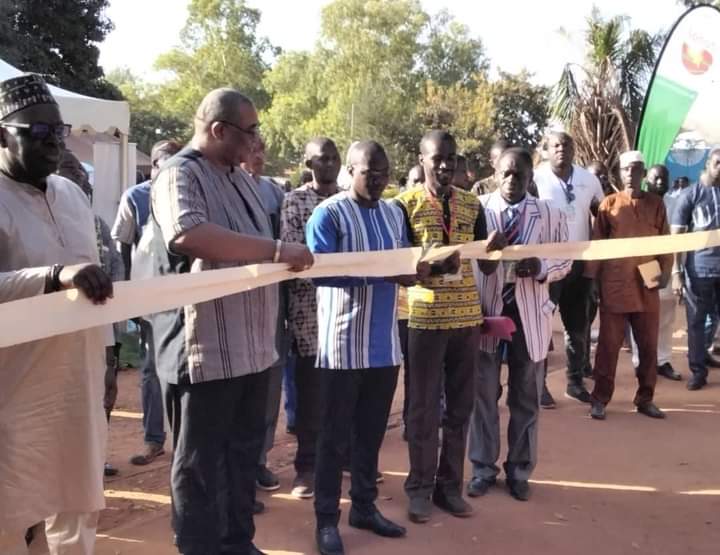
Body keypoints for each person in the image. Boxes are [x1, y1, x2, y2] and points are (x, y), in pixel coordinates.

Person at [150, 88, 313, 555]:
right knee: (199, 465)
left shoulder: (240, 179)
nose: (257, 140)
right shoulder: (179, 173)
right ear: (219, 130)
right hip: (205, 352)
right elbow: (188, 232)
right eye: (251, 130)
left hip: (253, 347)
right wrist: (277, 252)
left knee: (242, 456)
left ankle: (237, 542)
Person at [0, 73, 114, 555]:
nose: (53, 144)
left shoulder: (72, 194)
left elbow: (95, 285)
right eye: (38, 134)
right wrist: (52, 276)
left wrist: (106, 358)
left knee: (77, 500)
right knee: (13, 507)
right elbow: (66, 276)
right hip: (15, 386)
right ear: (3, 134)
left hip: (79, 376)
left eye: (60, 133)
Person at [307, 140, 420, 555]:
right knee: (334, 439)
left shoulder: (394, 212)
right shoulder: (329, 213)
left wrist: (425, 268)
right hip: (341, 347)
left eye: (384, 173)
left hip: (384, 346)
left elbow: (405, 262)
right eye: (369, 171)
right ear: (349, 171)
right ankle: (325, 520)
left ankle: (364, 508)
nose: (377, 179)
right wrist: (387, 277)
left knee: (370, 436)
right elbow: (320, 275)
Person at [394, 130, 504, 524]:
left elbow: (487, 265)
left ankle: (449, 488)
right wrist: (434, 269)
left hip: (466, 322)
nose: (445, 165)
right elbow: (401, 272)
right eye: (438, 158)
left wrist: (494, 249)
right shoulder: (402, 206)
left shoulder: (473, 205)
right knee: (423, 410)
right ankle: (419, 490)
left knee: (460, 409)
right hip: (424, 321)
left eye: (452, 159)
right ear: (422, 159)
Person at [468, 147, 570, 501]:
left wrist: (540, 267)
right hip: (487, 313)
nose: (512, 181)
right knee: (482, 394)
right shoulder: (477, 210)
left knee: (526, 395)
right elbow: (462, 259)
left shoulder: (550, 214)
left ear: (531, 178)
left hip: (530, 315)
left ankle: (520, 469)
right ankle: (482, 468)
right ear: (495, 171)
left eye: (520, 175)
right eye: (506, 173)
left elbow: (566, 260)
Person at [111, 139, 181, 467]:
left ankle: (184, 440)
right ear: (150, 165)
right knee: (151, 370)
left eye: (171, 162)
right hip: (148, 300)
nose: (164, 169)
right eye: (158, 163)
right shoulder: (135, 198)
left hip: (184, 298)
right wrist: (128, 298)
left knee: (184, 370)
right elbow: (122, 246)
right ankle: (154, 439)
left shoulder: (186, 195)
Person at [585, 151, 671, 420]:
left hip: (647, 285)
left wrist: (666, 272)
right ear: (619, 174)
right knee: (608, 347)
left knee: (648, 347)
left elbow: (666, 243)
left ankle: (645, 398)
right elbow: (597, 246)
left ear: (643, 174)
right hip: (615, 285)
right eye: (625, 170)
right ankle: (599, 399)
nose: (631, 175)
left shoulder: (657, 205)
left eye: (636, 170)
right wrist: (592, 281)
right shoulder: (608, 205)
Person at [279, 137, 341, 499]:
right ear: (308, 163)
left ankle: (341, 460)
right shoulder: (295, 201)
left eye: (334, 157)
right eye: (322, 159)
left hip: (347, 309)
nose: (329, 164)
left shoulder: (348, 200)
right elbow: (292, 254)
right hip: (308, 314)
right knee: (311, 395)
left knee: (343, 394)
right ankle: (306, 468)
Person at [58, 149, 125, 477]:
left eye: (83, 180)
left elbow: (115, 266)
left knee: (104, 392)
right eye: (72, 177)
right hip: (58, 338)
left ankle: (96, 457)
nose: (81, 184)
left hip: (103, 328)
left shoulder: (96, 223)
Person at [534, 131, 604, 405]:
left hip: (579, 264)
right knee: (540, 326)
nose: (562, 149)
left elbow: (602, 216)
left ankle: (575, 382)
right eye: (556, 145)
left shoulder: (589, 179)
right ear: (547, 150)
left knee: (578, 326)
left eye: (567, 145)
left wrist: (596, 259)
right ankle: (538, 385)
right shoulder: (536, 178)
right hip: (548, 266)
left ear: (575, 149)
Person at [241, 138, 287, 494]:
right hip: (233, 302)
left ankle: (258, 460)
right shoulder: (218, 189)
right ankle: (236, 467)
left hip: (271, 301)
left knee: (270, 384)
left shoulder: (274, 194)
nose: (257, 157)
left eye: (262, 151)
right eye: (251, 149)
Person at [672, 149, 720, 391]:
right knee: (696, 322)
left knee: (714, 319)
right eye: (717, 163)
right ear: (708, 165)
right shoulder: (690, 195)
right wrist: (676, 273)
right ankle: (698, 371)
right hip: (698, 270)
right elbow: (676, 237)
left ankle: (705, 353)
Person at [630, 164, 681, 381]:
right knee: (642, 315)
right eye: (655, 178)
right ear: (646, 180)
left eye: (664, 178)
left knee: (667, 316)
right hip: (644, 266)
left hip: (668, 264)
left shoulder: (675, 203)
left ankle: (663, 360)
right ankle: (640, 361)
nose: (660, 182)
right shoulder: (638, 204)